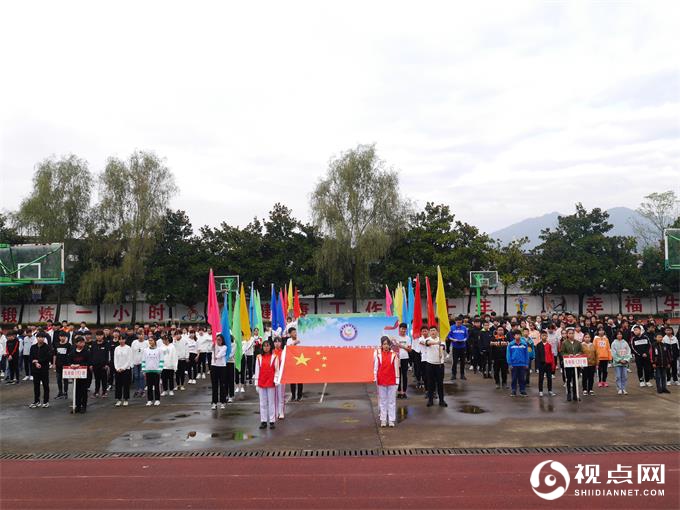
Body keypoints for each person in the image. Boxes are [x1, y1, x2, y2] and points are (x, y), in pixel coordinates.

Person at [254, 339, 280, 429]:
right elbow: (257, 371)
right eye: (264, 346)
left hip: (271, 382)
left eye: (268, 345)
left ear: (271, 346)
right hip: (261, 382)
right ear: (262, 347)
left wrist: (276, 380)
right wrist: (256, 383)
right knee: (262, 403)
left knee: (271, 403)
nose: (266, 347)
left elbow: (277, 370)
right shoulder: (258, 357)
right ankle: (263, 421)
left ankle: (272, 421)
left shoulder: (275, 357)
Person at [374, 336, 400, 427]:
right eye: (384, 344)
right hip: (381, 381)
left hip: (392, 381)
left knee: (392, 401)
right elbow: (376, 369)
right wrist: (376, 380)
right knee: (383, 401)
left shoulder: (394, 356)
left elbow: (397, 369)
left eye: (387, 344)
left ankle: (391, 420)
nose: (385, 346)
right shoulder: (378, 356)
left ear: (389, 345)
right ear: (381, 345)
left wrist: (397, 381)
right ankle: (383, 420)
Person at [420, 325, 446, 407]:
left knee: (440, 383)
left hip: (439, 365)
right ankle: (430, 400)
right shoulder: (427, 339)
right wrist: (436, 343)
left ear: (437, 332)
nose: (433, 332)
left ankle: (441, 401)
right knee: (430, 383)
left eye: (434, 330)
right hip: (430, 364)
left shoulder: (441, 340)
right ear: (429, 332)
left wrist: (441, 350)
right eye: (431, 330)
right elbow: (428, 343)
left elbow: (442, 347)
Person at [29, 332, 53, 408]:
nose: (40, 338)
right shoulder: (33, 347)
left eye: (42, 337)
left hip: (44, 369)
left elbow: (48, 358)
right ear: (36, 338)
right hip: (35, 369)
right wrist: (35, 363)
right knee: (36, 386)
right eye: (39, 337)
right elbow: (31, 357)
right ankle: (37, 401)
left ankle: (46, 401)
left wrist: (38, 361)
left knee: (45, 385)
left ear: (44, 338)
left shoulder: (47, 347)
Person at [560, 328, 582, 402]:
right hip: (568, 363)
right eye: (569, 333)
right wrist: (568, 355)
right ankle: (569, 394)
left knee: (576, 379)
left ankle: (575, 394)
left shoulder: (578, 343)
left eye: (572, 333)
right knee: (568, 379)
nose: (571, 335)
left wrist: (579, 354)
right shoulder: (564, 343)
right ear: (567, 334)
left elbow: (581, 351)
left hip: (576, 364)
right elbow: (562, 352)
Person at [71, 336, 92, 413]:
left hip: (84, 374)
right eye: (80, 342)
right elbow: (69, 360)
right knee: (77, 391)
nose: (82, 344)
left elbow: (88, 362)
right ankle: (77, 406)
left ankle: (84, 406)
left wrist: (79, 365)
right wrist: (72, 365)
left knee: (84, 391)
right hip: (75, 375)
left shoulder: (87, 352)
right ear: (76, 343)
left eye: (83, 342)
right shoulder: (73, 352)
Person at [142, 336, 163, 406]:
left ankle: (157, 399)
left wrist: (160, 369)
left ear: (155, 341)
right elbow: (143, 360)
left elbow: (161, 360)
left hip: (156, 371)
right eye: (149, 341)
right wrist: (144, 369)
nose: (150, 342)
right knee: (149, 386)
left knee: (157, 386)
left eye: (151, 340)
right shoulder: (145, 350)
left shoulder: (159, 350)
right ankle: (149, 400)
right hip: (148, 371)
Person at [506, 331, 529, 397]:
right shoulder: (511, 344)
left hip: (522, 364)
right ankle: (513, 390)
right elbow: (508, 355)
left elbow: (526, 354)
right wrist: (510, 364)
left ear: (521, 336)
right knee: (514, 378)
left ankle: (522, 390)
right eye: (516, 335)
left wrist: (526, 363)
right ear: (514, 336)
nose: (517, 336)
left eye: (519, 335)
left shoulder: (524, 344)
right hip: (514, 365)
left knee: (522, 378)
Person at [535, 330, 556, 397]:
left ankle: (550, 390)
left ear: (547, 336)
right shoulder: (538, 345)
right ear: (540, 336)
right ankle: (540, 391)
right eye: (543, 335)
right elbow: (537, 356)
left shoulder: (549, 345)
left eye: (545, 335)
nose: (544, 337)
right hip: (541, 364)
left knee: (549, 378)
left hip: (548, 364)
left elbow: (551, 355)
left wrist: (553, 365)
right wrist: (537, 367)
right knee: (541, 378)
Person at [113, 333, 132, 407]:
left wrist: (123, 368)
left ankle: (126, 399)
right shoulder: (116, 348)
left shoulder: (128, 348)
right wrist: (117, 368)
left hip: (126, 369)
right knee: (118, 385)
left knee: (126, 385)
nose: (121, 341)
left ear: (125, 340)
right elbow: (115, 359)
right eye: (120, 339)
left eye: (122, 339)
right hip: (118, 369)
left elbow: (129, 360)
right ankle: (118, 399)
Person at [53, 331, 73, 399]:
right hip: (58, 364)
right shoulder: (56, 344)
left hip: (66, 365)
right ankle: (60, 392)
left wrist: (70, 364)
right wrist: (54, 363)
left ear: (66, 337)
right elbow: (55, 355)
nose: (62, 338)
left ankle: (65, 392)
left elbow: (70, 356)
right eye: (61, 336)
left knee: (65, 379)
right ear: (59, 337)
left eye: (64, 336)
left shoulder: (68, 345)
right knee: (58, 379)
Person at [394, 323, 412, 399]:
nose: (403, 330)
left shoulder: (408, 338)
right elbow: (393, 347)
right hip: (397, 358)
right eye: (402, 328)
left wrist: (401, 346)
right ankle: (399, 392)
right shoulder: (396, 337)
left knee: (404, 375)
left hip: (405, 358)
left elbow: (410, 350)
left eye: (405, 329)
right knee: (398, 376)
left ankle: (404, 392)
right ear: (399, 329)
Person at [210, 334, 228, 409]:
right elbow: (209, 349)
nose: (218, 341)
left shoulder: (225, 347)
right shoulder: (214, 345)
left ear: (222, 340)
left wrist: (216, 357)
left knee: (222, 385)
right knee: (214, 385)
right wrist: (213, 345)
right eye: (217, 339)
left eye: (219, 340)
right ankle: (214, 402)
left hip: (222, 367)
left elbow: (221, 353)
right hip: (214, 367)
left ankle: (223, 402)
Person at [286, 327, 303, 401]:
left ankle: (299, 396)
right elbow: (289, 349)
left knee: (300, 380)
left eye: (295, 332)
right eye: (293, 332)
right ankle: (293, 395)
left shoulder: (300, 339)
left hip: (300, 362)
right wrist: (294, 343)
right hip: (292, 362)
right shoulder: (288, 340)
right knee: (292, 380)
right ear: (290, 334)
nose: (295, 333)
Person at [90, 331, 109, 398]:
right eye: (97, 335)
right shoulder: (94, 343)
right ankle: (96, 391)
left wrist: (107, 364)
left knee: (104, 379)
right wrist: (91, 364)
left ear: (103, 336)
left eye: (100, 335)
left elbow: (108, 355)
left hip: (103, 365)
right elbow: (91, 354)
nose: (99, 337)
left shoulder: (106, 344)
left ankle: (104, 392)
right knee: (97, 379)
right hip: (95, 365)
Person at [130, 332, 147, 397]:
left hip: (143, 362)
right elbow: (131, 352)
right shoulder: (134, 342)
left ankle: (142, 390)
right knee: (136, 376)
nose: (140, 336)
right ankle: (137, 390)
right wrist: (131, 362)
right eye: (139, 334)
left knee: (141, 376)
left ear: (144, 335)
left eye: (142, 334)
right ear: (137, 335)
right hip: (135, 362)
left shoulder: (146, 343)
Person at [272, 337, 286, 419]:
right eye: (275, 342)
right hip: (273, 376)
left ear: (281, 343)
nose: (277, 343)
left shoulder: (283, 352)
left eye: (279, 342)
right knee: (274, 396)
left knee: (281, 395)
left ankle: (281, 412)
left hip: (281, 376)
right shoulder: (272, 352)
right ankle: (276, 412)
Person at [226, 335, 236, 403]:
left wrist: (225, 356)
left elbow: (231, 354)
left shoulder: (233, 344)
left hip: (231, 363)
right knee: (224, 380)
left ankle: (231, 395)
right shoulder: (224, 345)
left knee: (231, 380)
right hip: (224, 364)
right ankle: (225, 394)